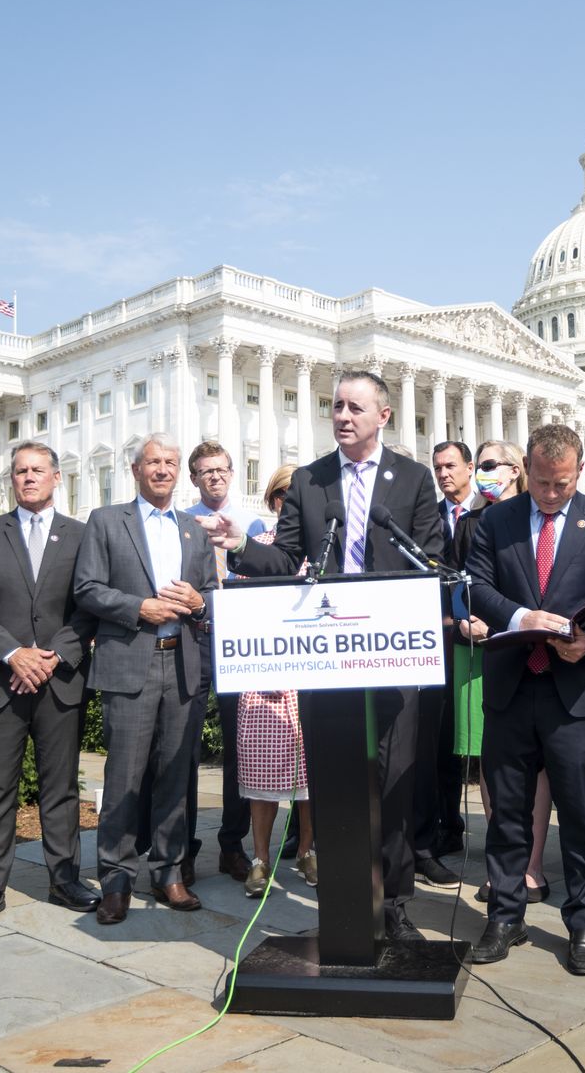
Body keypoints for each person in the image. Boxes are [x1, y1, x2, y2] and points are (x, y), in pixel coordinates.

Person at [200, 370, 445, 941]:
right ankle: (343, 900)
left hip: (391, 654)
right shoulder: (310, 481)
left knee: (393, 785)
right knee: (334, 783)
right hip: (325, 658)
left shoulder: (410, 479)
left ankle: (395, 904)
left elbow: (428, 555)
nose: (342, 416)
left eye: (355, 407)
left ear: (383, 416)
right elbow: (286, 560)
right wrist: (241, 547)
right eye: (336, 406)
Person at [465, 424, 585, 975]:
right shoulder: (496, 520)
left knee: (583, 816)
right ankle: (505, 914)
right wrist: (520, 617)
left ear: (578, 476)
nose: (549, 493)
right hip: (513, 688)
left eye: (561, 484)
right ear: (527, 468)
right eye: (540, 481)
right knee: (508, 812)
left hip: (578, 694)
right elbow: (476, 585)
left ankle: (584, 922)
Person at [0, 443, 100, 925]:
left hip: (60, 681)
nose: (28, 478)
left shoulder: (83, 536)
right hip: (0, 682)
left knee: (60, 789)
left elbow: (89, 607)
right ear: (11, 480)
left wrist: (54, 655)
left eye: (38, 470)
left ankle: (65, 879)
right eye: (20, 471)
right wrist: (15, 655)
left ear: (58, 477)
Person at [77, 434, 217, 925]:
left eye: (171, 463)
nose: (163, 470)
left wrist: (200, 603)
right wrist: (140, 607)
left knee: (175, 777)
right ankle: (116, 879)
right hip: (131, 662)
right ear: (135, 469)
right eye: (154, 462)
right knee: (123, 777)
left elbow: (213, 594)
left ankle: (169, 872)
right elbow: (88, 588)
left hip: (183, 665)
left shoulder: (193, 532)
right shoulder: (106, 521)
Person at [456, 440, 554, 906]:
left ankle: (532, 865)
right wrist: (463, 616)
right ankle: (504, 867)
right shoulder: (475, 522)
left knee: (536, 768)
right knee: (493, 766)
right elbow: (461, 582)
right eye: (480, 465)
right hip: (489, 654)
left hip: (547, 655)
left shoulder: (550, 516)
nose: (483, 472)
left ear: (519, 470)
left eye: (492, 465)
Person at [181, 440, 269, 886]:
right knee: (185, 746)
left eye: (221, 469)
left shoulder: (254, 524)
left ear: (232, 473)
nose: (215, 476)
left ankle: (232, 846)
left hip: (239, 646)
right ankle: (183, 849)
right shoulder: (184, 524)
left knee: (241, 749)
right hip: (196, 642)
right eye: (205, 471)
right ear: (194, 478)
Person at [239, 464, 317, 896]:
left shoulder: (325, 549)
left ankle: (307, 850)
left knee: (312, 774)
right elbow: (241, 615)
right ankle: (260, 858)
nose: (290, 502)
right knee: (261, 774)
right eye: (283, 494)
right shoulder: (258, 548)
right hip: (266, 675)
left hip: (314, 675)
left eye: (297, 495)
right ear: (272, 502)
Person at [415, 441, 481, 887]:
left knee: (477, 741)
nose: (443, 474)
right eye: (437, 467)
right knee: (439, 741)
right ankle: (446, 826)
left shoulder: (491, 513)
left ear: (469, 468)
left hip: (482, 637)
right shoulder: (431, 518)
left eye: (450, 466)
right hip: (437, 641)